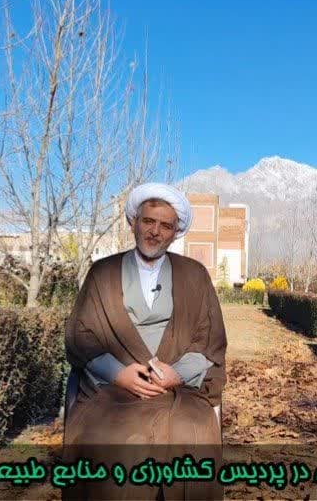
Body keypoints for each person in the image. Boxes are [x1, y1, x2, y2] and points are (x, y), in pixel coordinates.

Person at [62, 182, 227, 501]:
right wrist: (118, 373)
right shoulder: (102, 273)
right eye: (148, 221)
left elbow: (210, 340)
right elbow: (81, 334)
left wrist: (177, 374)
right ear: (133, 223)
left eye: (165, 225)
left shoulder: (195, 275)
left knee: (188, 435)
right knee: (117, 441)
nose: (155, 231)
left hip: (179, 390)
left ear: (175, 233)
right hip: (114, 391)